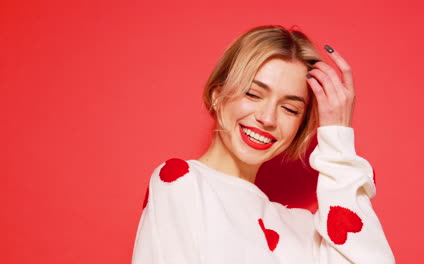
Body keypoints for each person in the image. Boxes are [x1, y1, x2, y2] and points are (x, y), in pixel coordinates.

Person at [131, 25, 395, 264]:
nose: (267, 118)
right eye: (253, 94)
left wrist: (337, 138)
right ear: (218, 94)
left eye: (290, 109)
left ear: (301, 126)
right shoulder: (182, 182)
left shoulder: (304, 229)